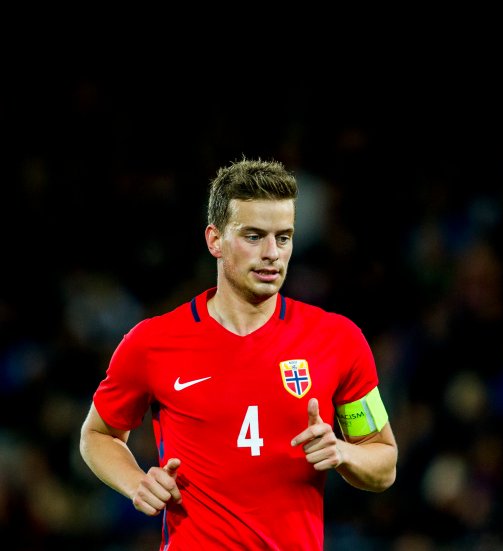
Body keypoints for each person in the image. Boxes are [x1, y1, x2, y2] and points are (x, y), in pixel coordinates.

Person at [79, 156, 398, 550]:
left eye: (283, 237)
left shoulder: (338, 339)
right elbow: (97, 434)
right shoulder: (152, 342)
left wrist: (343, 451)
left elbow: (384, 463)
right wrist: (137, 482)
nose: (272, 253)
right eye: (253, 236)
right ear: (215, 239)